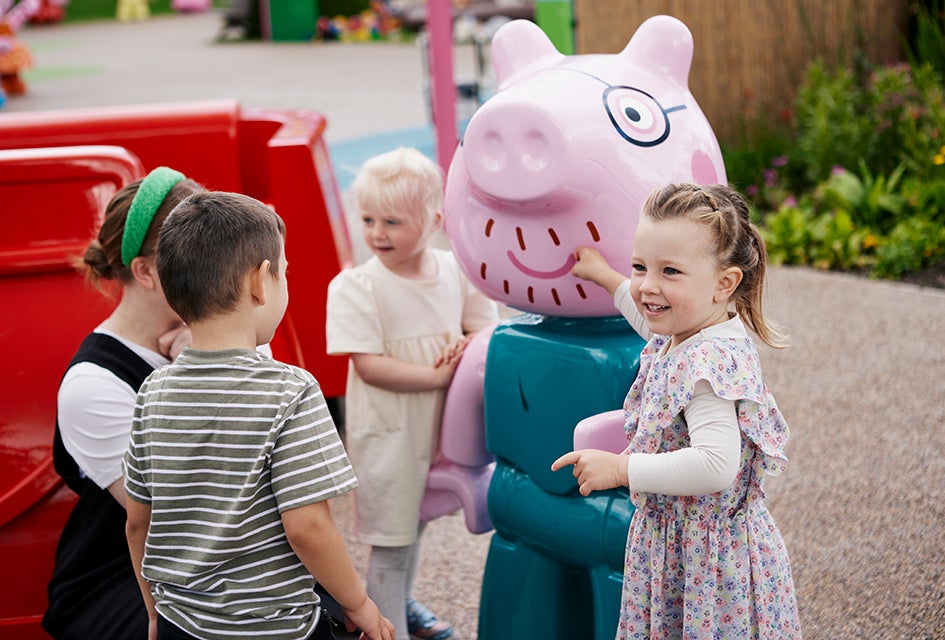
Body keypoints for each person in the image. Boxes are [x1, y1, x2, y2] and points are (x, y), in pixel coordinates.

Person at [122, 191, 394, 640]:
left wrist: (154, 610)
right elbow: (307, 526)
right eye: (285, 273)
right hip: (273, 627)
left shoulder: (153, 390)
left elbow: (138, 522)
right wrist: (357, 603)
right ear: (259, 281)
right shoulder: (290, 391)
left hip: (181, 623)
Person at [552, 183, 802, 638]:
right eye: (640, 266)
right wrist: (607, 276)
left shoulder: (707, 365)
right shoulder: (688, 328)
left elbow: (715, 465)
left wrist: (621, 468)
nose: (648, 286)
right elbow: (644, 312)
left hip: (705, 564)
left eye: (670, 270)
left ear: (725, 283)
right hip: (687, 549)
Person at [325, 148, 499, 640]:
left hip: (439, 429)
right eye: (368, 219)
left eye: (393, 221)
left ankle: (399, 603)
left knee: (415, 524)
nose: (377, 233)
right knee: (391, 538)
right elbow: (370, 365)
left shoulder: (453, 270)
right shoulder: (357, 286)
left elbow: (482, 327)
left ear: (434, 219)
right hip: (392, 434)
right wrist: (438, 377)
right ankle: (385, 627)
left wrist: (465, 343)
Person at [43, 167, 203, 640]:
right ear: (146, 271)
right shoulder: (92, 385)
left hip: (215, 559)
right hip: (123, 580)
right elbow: (175, 515)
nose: (223, 270)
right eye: (201, 256)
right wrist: (196, 370)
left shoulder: (213, 329)